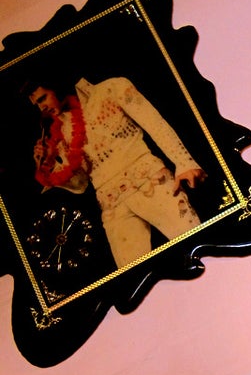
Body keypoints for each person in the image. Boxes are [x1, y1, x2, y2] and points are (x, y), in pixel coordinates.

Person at [29, 76, 207, 269]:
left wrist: (184, 162)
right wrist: (50, 162)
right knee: (133, 274)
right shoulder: (61, 129)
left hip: (150, 181)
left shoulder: (112, 89)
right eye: (36, 104)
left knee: (197, 247)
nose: (41, 107)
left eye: (43, 98)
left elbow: (155, 124)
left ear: (57, 86)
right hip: (112, 204)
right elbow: (80, 183)